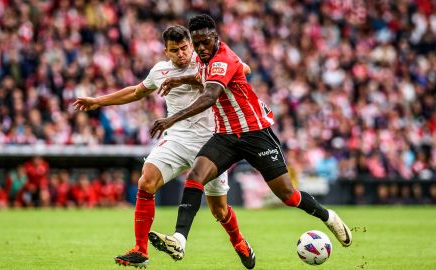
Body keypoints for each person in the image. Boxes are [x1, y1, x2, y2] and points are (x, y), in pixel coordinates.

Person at [149, 14, 353, 267]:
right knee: (195, 177)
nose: (201, 48)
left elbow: (210, 95)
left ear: (216, 37)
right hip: (225, 136)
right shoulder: (204, 60)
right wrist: (180, 78)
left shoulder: (224, 58)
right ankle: (179, 239)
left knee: (288, 196)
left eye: (205, 42)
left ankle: (328, 216)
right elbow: (208, 76)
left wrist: (171, 119)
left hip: (255, 134)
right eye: (197, 43)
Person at [73, 25, 254, 268]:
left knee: (219, 211)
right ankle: (140, 250)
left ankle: (239, 241)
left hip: (213, 141)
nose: (181, 54)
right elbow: (136, 92)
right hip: (177, 138)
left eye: (184, 48)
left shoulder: (209, 61)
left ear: (191, 45)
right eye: (174, 50)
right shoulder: (160, 70)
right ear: (166, 52)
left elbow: (245, 69)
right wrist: (98, 101)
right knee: (146, 180)